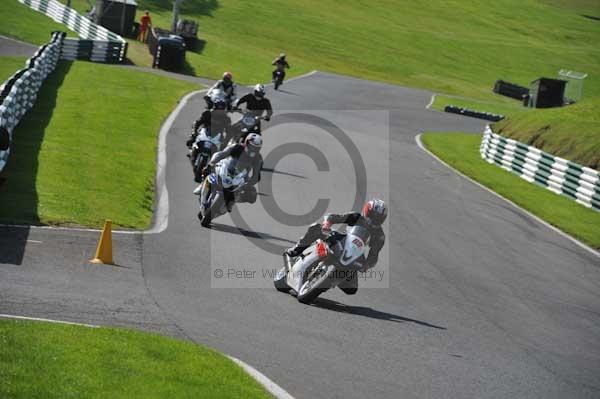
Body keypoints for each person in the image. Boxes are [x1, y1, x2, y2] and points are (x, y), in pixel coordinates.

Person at [285, 199, 387, 293]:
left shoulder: (380, 236)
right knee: (315, 228)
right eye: (372, 215)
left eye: (377, 218)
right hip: (341, 239)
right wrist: (327, 224)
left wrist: (367, 265)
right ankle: (297, 249)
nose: (373, 220)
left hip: (355, 253)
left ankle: (331, 280)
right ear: (366, 211)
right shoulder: (356, 217)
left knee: (351, 289)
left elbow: (374, 254)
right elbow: (333, 217)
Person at [198, 134, 264, 227]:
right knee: (207, 171)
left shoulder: (258, 158)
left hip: (240, 176)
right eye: (252, 146)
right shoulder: (236, 147)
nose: (253, 150)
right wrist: (211, 163)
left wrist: (249, 184)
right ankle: (201, 186)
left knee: (252, 195)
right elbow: (221, 154)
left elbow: (256, 174)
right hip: (226, 168)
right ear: (246, 143)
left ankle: (231, 202)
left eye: (256, 148)